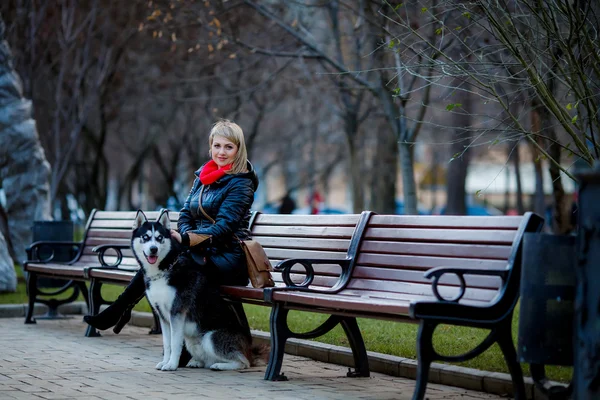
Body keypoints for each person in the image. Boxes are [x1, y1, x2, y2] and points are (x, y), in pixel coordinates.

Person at [84, 119, 258, 340]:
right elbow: (185, 213)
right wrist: (184, 237)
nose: (221, 152)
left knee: (176, 268)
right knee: (159, 262)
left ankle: (121, 312)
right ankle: (120, 309)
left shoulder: (241, 183)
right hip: (202, 251)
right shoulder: (204, 176)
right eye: (217, 146)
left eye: (228, 147)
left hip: (227, 257)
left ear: (238, 149)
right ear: (210, 146)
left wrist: (185, 239)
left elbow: (225, 227)